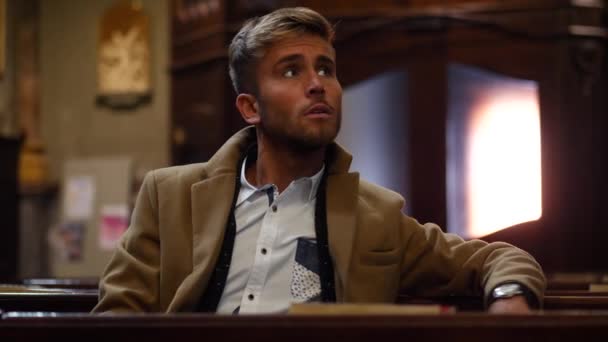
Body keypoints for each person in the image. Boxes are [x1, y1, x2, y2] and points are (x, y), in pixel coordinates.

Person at [93, 7, 545, 314]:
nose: (318, 84)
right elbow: (117, 312)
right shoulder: (169, 195)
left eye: (325, 68)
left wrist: (509, 296)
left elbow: (498, 260)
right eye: (292, 70)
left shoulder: (376, 216)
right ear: (251, 108)